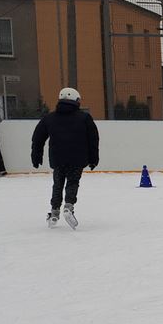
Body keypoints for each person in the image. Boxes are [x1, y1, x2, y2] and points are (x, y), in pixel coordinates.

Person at [31, 87, 99, 228]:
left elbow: (38, 137)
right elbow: (93, 139)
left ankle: (54, 211)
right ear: (76, 101)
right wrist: (93, 159)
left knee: (58, 184)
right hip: (77, 158)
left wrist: (36, 155)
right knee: (72, 183)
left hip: (57, 158)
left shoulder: (50, 118)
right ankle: (69, 206)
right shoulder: (84, 118)